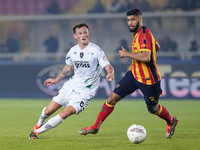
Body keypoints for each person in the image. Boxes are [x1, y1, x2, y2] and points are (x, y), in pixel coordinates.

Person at [79, 9, 178, 139]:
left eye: (133, 19)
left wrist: (127, 54)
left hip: (149, 80)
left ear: (140, 19)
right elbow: (156, 47)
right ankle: (95, 127)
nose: (130, 23)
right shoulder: (140, 33)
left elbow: (147, 57)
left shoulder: (143, 33)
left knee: (153, 109)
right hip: (133, 74)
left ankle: (171, 121)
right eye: (128, 20)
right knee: (111, 99)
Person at [29, 23, 115, 139]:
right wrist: (56, 80)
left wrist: (110, 72)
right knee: (48, 111)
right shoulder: (72, 51)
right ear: (75, 36)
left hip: (85, 92)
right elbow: (68, 68)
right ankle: (38, 125)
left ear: (88, 34)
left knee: (65, 113)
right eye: (80, 33)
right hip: (71, 86)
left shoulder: (96, 50)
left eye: (85, 32)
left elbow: (107, 65)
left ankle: (36, 133)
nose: (83, 35)